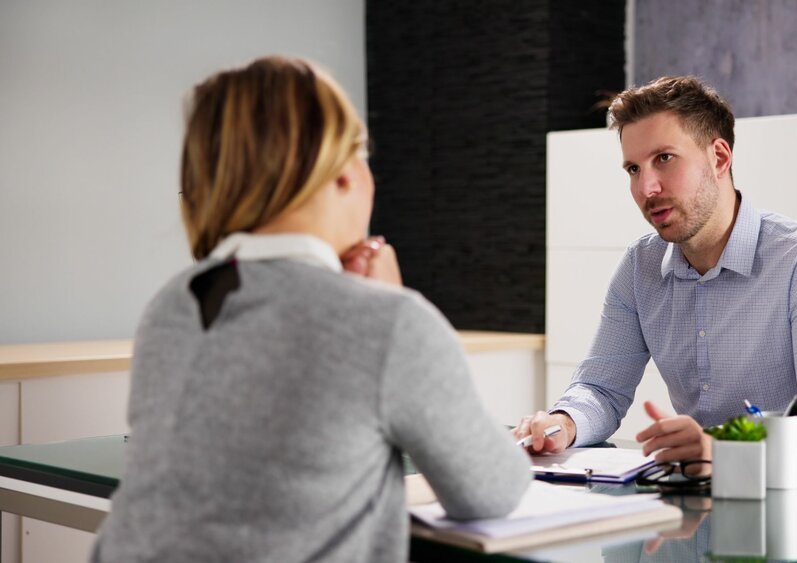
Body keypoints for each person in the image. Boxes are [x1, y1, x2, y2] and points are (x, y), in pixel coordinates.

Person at [91, 56, 531, 563]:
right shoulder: (387, 322)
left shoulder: (173, 304)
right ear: (344, 174)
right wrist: (383, 301)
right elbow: (493, 490)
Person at [514, 75, 797, 470]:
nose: (646, 187)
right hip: (694, 503)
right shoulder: (639, 267)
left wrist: (727, 446)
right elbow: (602, 388)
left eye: (664, 159)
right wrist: (563, 423)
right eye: (633, 168)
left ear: (719, 158)